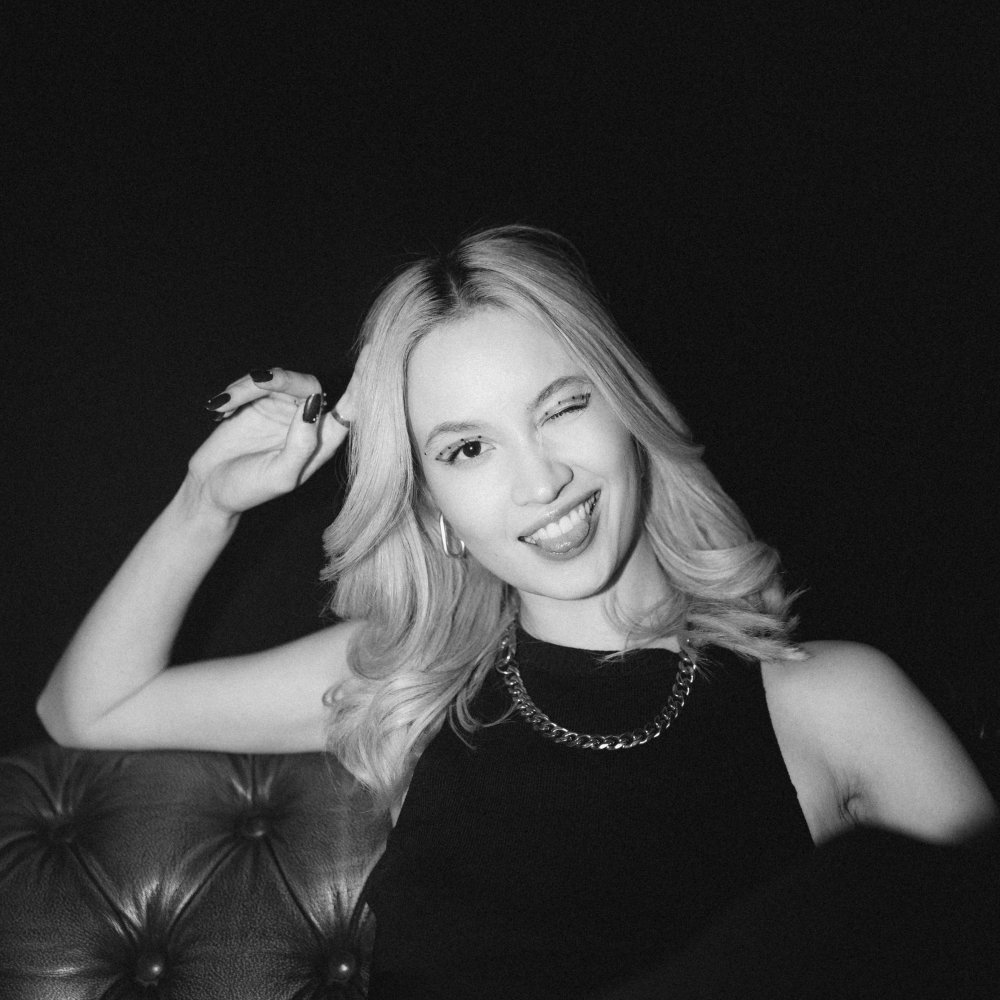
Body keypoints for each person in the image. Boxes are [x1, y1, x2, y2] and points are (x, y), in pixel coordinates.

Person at [37, 226, 998, 998]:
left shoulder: (834, 701)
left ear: (629, 409)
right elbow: (88, 707)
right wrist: (207, 501)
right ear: (434, 513)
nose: (541, 482)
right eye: (467, 449)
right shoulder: (415, 679)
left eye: (562, 406)